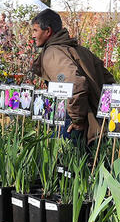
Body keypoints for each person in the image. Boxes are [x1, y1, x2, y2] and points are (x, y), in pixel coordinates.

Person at [30, 9, 114, 147]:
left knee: (66, 164)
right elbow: (108, 79)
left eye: (35, 30)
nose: (32, 35)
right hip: (91, 121)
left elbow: (75, 84)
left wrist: (77, 120)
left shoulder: (53, 53)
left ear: (48, 31)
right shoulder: (77, 49)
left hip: (70, 121)